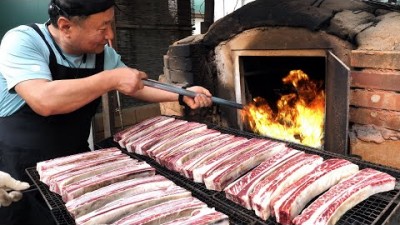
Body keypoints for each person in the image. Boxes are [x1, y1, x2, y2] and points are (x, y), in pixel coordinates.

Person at [0, 0, 212, 224]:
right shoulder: (24, 41)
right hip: (17, 169)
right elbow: (44, 100)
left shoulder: (102, 55)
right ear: (65, 26)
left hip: (75, 164)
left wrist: (181, 93)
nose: (110, 34)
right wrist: (110, 79)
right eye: (102, 28)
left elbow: (136, 85)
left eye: (111, 24)